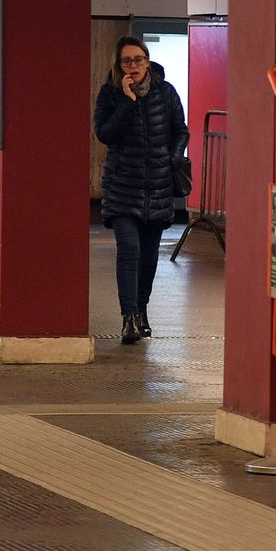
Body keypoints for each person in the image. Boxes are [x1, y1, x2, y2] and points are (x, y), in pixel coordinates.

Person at [94, 35, 188, 344]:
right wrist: (126, 101)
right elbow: (105, 134)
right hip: (122, 187)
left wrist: (172, 157)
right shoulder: (109, 94)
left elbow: (180, 131)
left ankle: (142, 311)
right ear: (118, 65)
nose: (133, 66)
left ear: (147, 61)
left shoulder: (166, 92)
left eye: (138, 60)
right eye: (127, 61)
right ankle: (129, 317)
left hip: (158, 186)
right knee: (129, 252)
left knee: (148, 258)